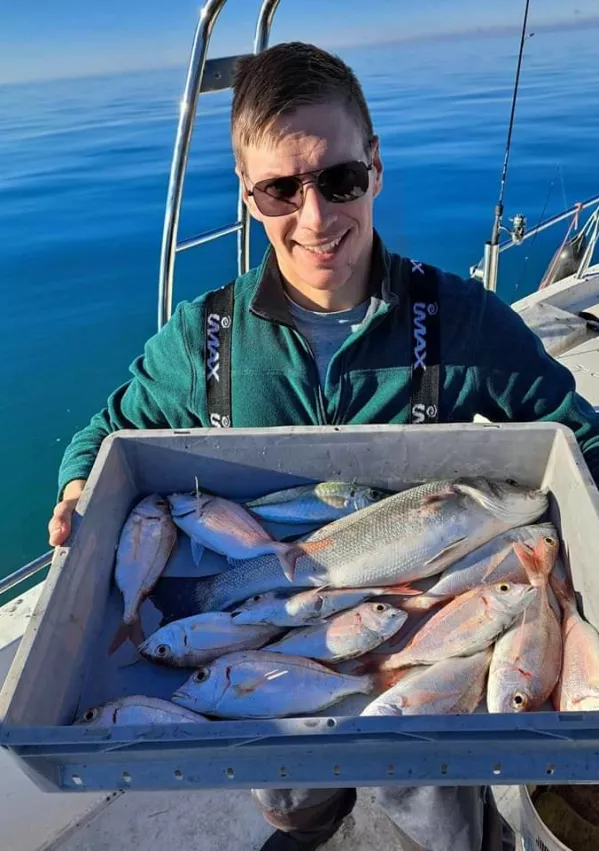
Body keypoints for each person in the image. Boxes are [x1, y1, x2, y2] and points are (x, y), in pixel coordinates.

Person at [49, 42, 599, 851]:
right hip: (273, 634)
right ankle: (308, 821)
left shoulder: (460, 321)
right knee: (290, 783)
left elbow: (572, 430)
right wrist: (73, 491)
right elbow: (106, 432)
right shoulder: (200, 342)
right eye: (280, 189)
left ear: (373, 166)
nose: (314, 217)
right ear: (247, 196)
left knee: (430, 795)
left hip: (420, 628)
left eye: (337, 179)